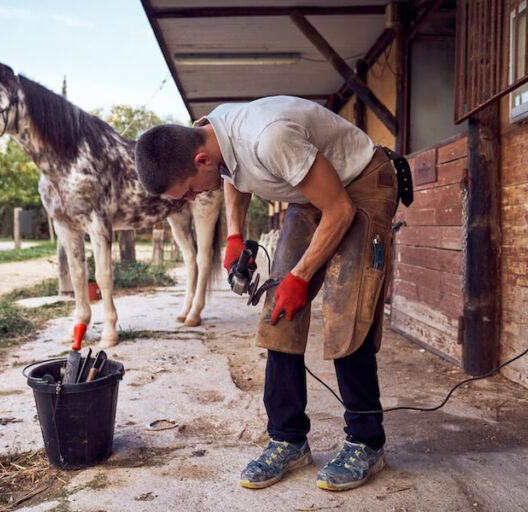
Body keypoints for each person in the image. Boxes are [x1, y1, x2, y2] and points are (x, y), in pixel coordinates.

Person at [135, 95, 409, 492]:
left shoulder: (269, 137)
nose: (193, 199)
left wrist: (301, 277)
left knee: (347, 308)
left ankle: (367, 441)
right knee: (278, 310)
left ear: (200, 161)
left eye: (190, 192)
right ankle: (288, 437)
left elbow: (340, 210)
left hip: (360, 185)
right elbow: (232, 175)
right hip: (308, 191)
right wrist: (234, 234)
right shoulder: (208, 132)